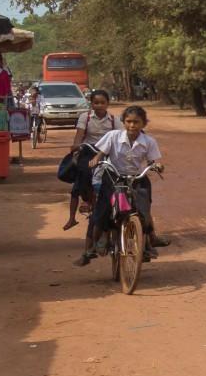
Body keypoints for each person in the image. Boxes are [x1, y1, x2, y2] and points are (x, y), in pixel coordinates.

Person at [77, 105, 168, 264]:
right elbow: (101, 153)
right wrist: (95, 160)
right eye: (129, 121)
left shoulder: (148, 141)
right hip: (114, 177)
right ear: (123, 122)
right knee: (104, 207)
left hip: (137, 178)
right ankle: (96, 243)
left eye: (137, 122)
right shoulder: (113, 136)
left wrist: (157, 166)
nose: (132, 125)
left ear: (144, 124)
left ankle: (147, 240)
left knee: (143, 209)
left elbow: (152, 161)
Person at [64, 90, 117, 230]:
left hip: (107, 151)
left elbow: (121, 134)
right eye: (96, 103)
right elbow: (80, 134)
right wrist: (77, 146)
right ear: (91, 103)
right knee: (85, 171)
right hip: (88, 149)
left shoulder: (113, 119)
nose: (99, 105)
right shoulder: (85, 117)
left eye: (102, 103)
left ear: (108, 103)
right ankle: (86, 200)